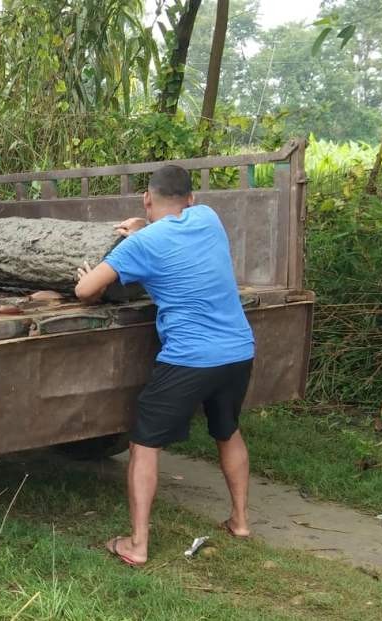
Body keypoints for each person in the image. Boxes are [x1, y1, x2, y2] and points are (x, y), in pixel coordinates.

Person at [74, 164, 255, 567]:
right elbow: (173, 229)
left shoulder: (140, 246)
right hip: (239, 349)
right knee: (227, 430)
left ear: (146, 197)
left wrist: (89, 279)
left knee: (144, 443)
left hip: (190, 358)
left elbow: (87, 290)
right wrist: (144, 225)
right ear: (190, 199)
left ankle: (137, 544)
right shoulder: (208, 218)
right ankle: (241, 521)